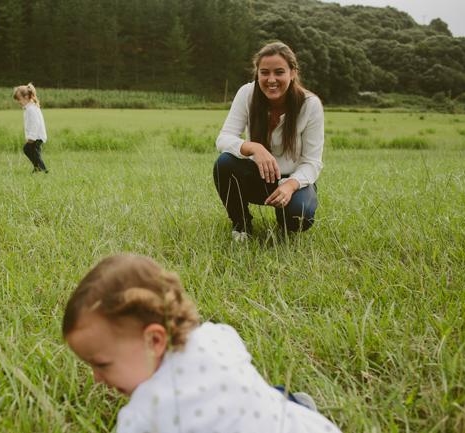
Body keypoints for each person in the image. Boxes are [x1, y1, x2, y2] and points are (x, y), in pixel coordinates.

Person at [63, 254, 342, 433]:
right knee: (267, 393)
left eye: (101, 364)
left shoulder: (144, 415)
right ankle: (296, 402)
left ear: (155, 340)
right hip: (302, 426)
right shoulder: (216, 335)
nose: (96, 379)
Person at [214, 41, 324, 240]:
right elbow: (223, 139)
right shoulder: (247, 93)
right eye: (264, 72)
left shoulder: (310, 105)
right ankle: (241, 223)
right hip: (258, 177)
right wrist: (253, 148)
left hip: (293, 180)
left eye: (279, 72)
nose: (271, 79)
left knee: (298, 219)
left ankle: (286, 219)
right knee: (224, 163)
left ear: (293, 72)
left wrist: (290, 185)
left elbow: (312, 163)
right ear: (257, 73)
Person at [13, 83, 49, 173]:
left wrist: (31, 138)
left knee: (28, 149)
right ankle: (37, 168)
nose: (18, 102)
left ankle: (42, 169)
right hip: (36, 136)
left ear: (26, 97)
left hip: (37, 136)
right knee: (34, 153)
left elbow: (35, 124)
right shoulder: (30, 108)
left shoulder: (31, 109)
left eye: (19, 99)